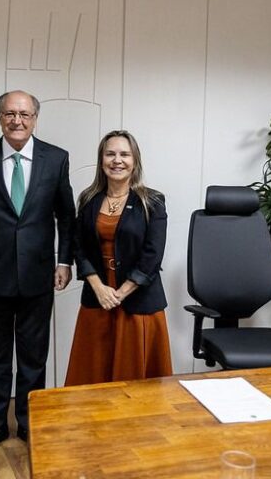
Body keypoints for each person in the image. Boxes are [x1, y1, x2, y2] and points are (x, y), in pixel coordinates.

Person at [0, 90, 75, 458]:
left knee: (33, 357)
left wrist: (64, 261)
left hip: (39, 276)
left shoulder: (56, 158)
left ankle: (28, 421)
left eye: (24, 114)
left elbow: (66, 216)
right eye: (10, 113)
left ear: (35, 119)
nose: (17, 121)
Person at [64, 130, 172, 386]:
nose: (117, 160)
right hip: (98, 299)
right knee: (93, 374)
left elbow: (153, 254)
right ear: (101, 160)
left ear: (135, 160)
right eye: (110, 153)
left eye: (125, 154)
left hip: (137, 302)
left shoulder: (151, 201)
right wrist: (100, 289)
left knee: (136, 383)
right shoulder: (89, 199)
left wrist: (120, 293)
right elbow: (79, 246)